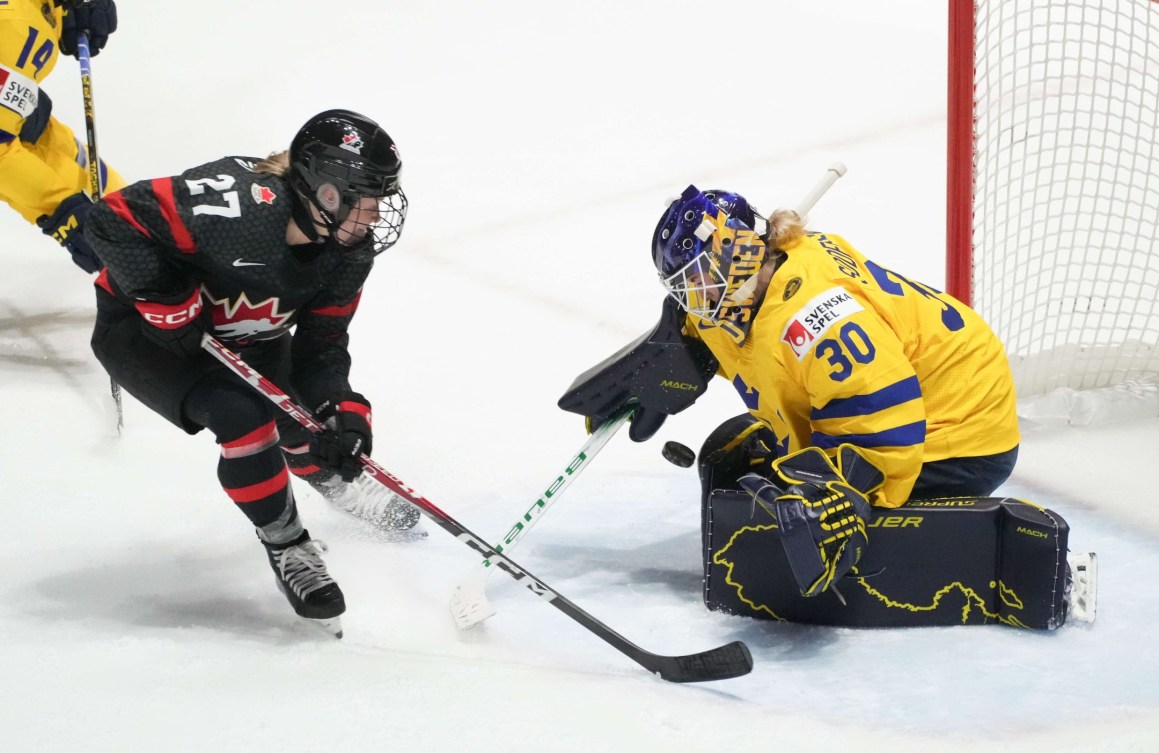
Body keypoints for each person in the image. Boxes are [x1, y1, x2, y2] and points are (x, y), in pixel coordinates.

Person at [84, 109, 419, 635]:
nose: (375, 216)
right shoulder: (236, 209)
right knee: (244, 420)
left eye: (382, 200)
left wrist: (343, 413)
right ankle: (288, 545)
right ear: (323, 192)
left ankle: (328, 476)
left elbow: (322, 348)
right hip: (148, 336)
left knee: (313, 423)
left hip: (246, 336)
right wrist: (165, 299)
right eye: (365, 200)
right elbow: (110, 218)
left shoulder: (349, 253)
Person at [646, 184, 1020, 599]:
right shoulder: (750, 285)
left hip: (958, 428)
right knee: (733, 458)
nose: (693, 296)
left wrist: (835, 493)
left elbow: (884, 417)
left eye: (699, 278)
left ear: (739, 255)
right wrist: (655, 367)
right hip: (906, 393)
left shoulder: (820, 318)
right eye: (684, 284)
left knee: (808, 508)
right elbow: (743, 341)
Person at [0, 0, 124, 273]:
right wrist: (64, 210)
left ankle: (142, 226)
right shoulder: (10, 26)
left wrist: (59, 11)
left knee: (42, 135)